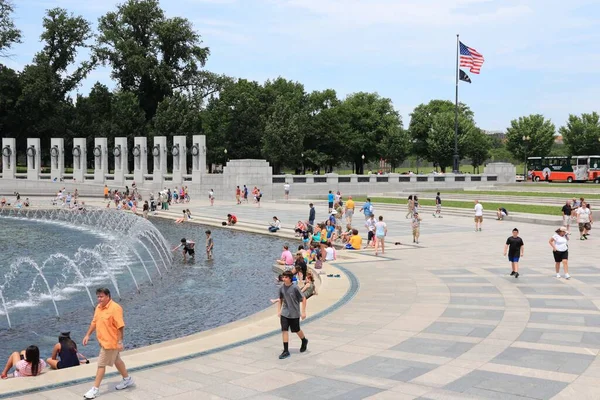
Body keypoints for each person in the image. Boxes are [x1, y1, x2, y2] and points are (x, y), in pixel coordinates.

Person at [82, 288, 133, 399]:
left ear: (108, 296)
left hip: (110, 343)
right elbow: (94, 322)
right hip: (103, 341)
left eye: (101, 296)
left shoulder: (115, 308)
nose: (99, 299)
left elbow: (120, 326)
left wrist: (120, 342)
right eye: (98, 297)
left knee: (101, 364)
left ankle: (95, 389)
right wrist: (87, 335)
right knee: (117, 360)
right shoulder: (98, 308)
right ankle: (127, 379)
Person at [277, 270, 308, 359]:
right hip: (285, 313)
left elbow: (304, 298)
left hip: (294, 313)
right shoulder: (281, 288)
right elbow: (280, 299)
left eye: (286, 277)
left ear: (290, 278)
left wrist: (303, 312)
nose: (284, 279)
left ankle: (304, 340)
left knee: (296, 329)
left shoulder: (295, 288)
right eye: (283, 277)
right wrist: (279, 311)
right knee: (284, 330)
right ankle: (286, 351)